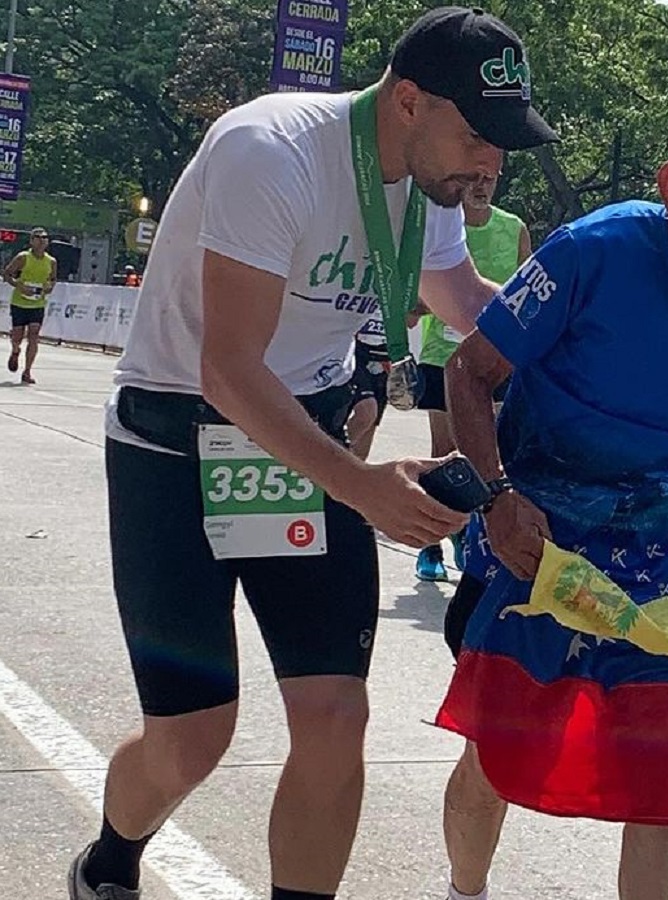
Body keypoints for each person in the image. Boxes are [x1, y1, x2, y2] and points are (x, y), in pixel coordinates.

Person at [72, 9, 556, 900]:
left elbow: (462, 299)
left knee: (335, 716)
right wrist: (361, 486)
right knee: (193, 735)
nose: (490, 163)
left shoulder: (427, 186)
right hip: (175, 445)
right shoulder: (270, 150)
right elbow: (228, 369)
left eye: (502, 141)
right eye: (477, 136)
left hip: (303, 446)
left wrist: (591, 354)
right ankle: (109, 858)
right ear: (408, 102)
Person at [433, 109, 668, 900]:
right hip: (540, 540)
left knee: (667, 765)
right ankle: (464, 892)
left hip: (665, 553)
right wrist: (496, 498)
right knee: (500, 746)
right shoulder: (591, 251)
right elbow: (469, 371)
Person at [414, 155, 531, 581]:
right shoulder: (441, 222)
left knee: (489, 451)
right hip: (441, 354)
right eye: (475, 178)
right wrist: (440, 305)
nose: (481, 186)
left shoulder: (513, 227)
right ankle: (430, 544)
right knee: (445, 453)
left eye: (490, 179)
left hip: (495, 358)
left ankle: (474, 538)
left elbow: (527, 292)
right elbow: (415, 295)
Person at [5, 227, 58, 384]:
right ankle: (15, 350)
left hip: (37, 303)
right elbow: (7, 274)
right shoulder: (23, 257)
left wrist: (49, 287)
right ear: (31, 241)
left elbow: (53, 279)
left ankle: (27, 371)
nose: (42, 240)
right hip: (20, 302)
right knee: (17, 335)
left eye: (45, 237)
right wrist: (19, 286)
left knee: (34, 335)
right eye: (38, 237)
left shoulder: (51, 261)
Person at [344, 319, 391, 460]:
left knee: (371, 422)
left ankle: (355, 470)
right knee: (366, 413)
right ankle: (328, 456)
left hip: (383, 356)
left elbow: (411, 321)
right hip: (355, 354)